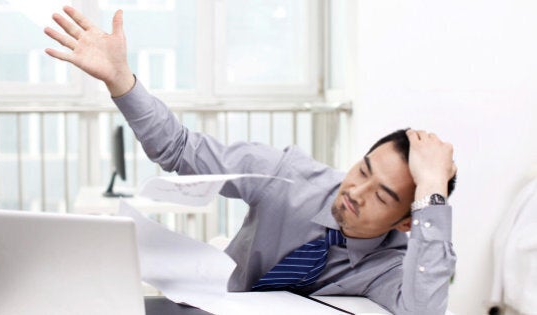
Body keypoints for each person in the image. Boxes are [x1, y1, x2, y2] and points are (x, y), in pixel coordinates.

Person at [44, 6, 458, 315]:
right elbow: (178, 149)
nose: (356, 193)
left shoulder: (393, 263)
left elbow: (422, 310)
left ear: (407, 219)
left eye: (383, 196)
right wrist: (120, 81)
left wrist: (434, 193)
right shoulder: (289, 177)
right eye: (363, 170)